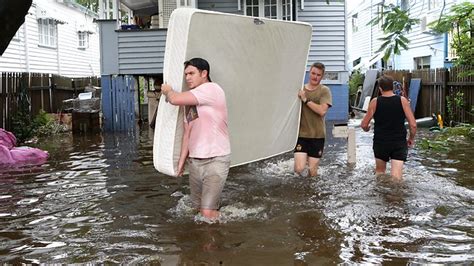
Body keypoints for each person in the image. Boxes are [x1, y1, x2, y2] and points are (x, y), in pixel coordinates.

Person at [161, 57, 231, 220]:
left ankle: (229, 222)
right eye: (186, 75)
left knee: (207, 212)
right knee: (196, 208)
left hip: (216, 159)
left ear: (204, 73)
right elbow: (188, 133)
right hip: (195, 162)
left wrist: (167, 90)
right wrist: (180, 162)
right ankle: (210, 229)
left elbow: (174, 99)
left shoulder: (212, 89)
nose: (187, 78)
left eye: (191, 73)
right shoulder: (191, 102)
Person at [361, 74, 417, 179]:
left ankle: (381, 194)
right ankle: (395, 195)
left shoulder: (375, 102)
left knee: (380, 173)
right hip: (398, 143)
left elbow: (364, 124)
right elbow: (413, 125)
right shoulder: (402, 101)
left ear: (380, 88)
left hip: (381, 143)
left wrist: (367, 128)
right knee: (396, 177)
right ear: (393, 87)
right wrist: (411, 138)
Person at [294, 62, 332, 177]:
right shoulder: (300, 90)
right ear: (309, 73)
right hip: (301, 135)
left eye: (318, 75)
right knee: (299, 168)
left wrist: (305, 100)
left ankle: (311, 192)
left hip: (317, 135)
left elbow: (322, 111)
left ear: (322, 76)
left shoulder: (324, 90)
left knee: (313, 172)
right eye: (313, 73)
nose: (315, 77)